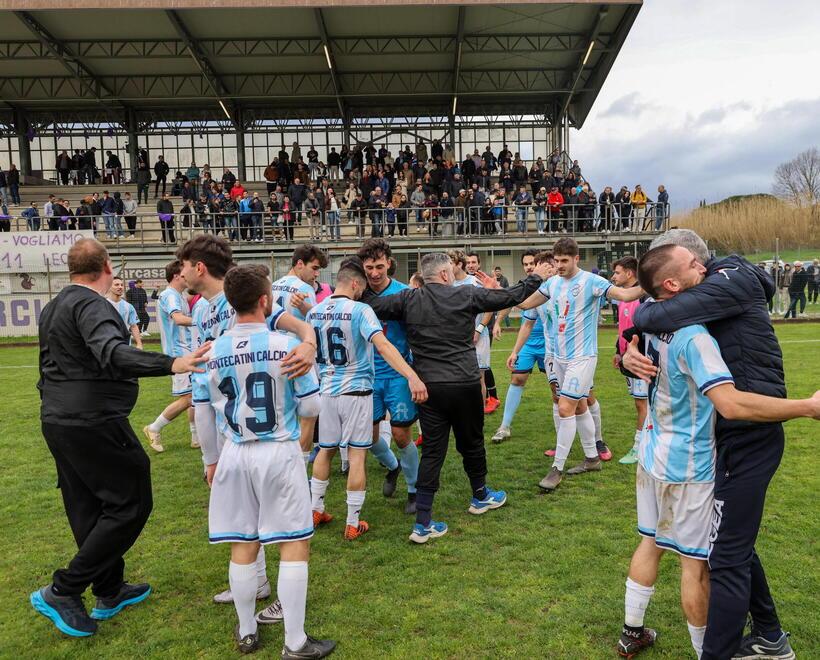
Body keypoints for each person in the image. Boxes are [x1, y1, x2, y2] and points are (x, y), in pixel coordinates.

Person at [617, 243, 820, 660]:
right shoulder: (693, 335)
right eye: (694, 263)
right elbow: (730, 404)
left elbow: (639, 326)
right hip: (692, 462)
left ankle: (633, 631)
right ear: (673, 284)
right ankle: (712, 650)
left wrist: (627, 351)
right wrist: (808, 407)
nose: (705, 266)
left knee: (663, 544)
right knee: (703, 564)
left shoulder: (659, 320)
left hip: (655, 452)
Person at [30, 238, 208, 638]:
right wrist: (172, 363)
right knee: (131, 502)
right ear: (107, 267)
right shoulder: (92, 305)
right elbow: (112, 352)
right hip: (92, 419)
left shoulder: (55, 306)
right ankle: (64, 589)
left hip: (58, 418)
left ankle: (109, 590)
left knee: (88, 505)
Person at [195, 265, 335, 658]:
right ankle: (295, 641)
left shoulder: (211, 350)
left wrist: (210, 460)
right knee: (294, 543)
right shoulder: (286, 345)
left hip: (234, 452)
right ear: (264, 300)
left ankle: (246, 631)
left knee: (242, 543)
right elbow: (311, 406)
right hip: (278, 449)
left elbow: (202, 410)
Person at [366, 252, 551, 543]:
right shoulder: (465, 295)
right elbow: (511, 297)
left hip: (429, 388)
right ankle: (480, 495)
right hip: (464, 384)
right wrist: (537, 276)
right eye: (450, 272)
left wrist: (362, 276)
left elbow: (371, 303)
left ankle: (423, 522)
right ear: (443, 274)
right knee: (472, 442)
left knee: (433, 452)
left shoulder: (408, 299)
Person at [178, 234, 316, 609]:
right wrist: (209, 456)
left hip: (256, 425)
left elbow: (300, 327)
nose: (181, 272)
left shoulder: (245, 297)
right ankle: (257, 583)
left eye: (184, 265)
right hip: (232, 421)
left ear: (199, 267)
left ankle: (265, 596)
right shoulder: (203, 311)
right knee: (246, 521)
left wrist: (308, 344)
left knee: (267, 519)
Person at [308, 257, 427, 541]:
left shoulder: (314, 311)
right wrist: (412, 374)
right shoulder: (360, 309)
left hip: (327, 392)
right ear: (354, 283)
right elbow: (382, 345)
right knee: (358, 454)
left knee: (325, 451)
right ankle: (352, 522)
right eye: (361, 287)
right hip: (357, 391)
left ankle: (315, 509)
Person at [516, 238, 644, 492]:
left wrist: (653, 281)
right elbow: (525, 303)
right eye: (557, 260)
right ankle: (592, 458)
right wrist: (499, 293)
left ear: (576, 258)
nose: (560, 265)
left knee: (565, 408)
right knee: (580, 406)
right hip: (558, 357)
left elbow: (626, 294)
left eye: (565, 260)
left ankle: (557, 469)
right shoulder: (552, 283)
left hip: (582, 358)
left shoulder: (592, 281)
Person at [358, 239, 422, 514]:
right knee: (369, 438)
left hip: (398, 375)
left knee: (400, 435)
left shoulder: (405, 293)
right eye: (369, 267)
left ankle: (414, 490)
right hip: (366, 376)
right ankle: (393, 467)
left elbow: (416, 333)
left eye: (379, 267)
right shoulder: (357, 294)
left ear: (389, 263)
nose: (374, 273)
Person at [492, 250, 553, 443]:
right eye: (525, 264)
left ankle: (574, 428)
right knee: (517, 378)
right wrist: (514, 350)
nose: (529, 267)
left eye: (532, 263)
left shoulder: (555, 286)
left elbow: (518, 302)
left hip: (552, 345)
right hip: (529, 343)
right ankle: (504, 426)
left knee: (557, 388)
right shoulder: (528, 286)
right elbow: (524, 317)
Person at [142, 261, 196, 453]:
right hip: (178, 354)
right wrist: (204, 321)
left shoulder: (178, 295)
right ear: (176, 276)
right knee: (189, 398)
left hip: (185, 351)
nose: (187, 275)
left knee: (195, 395)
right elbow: (179, 319)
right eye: (184, 273)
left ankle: (196, 437)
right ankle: (154, 428)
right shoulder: (170, 295)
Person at [608, 257, 648, 465]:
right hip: (626, 358)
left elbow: (644, 328)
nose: (613, 277)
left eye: (617, 272)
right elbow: (623, 327)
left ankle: (639, 447)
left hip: (640, 359)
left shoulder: (643, 297)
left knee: (643, 404)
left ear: (630, 273)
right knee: (639, 402)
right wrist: (618, 350)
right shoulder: (623, 297)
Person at [107, 276, 142, 348]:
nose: (120, 287)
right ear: (109, 287)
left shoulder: (129, 307)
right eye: (116, 285)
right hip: (107, 345)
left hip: (125, 345)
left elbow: (134, 326)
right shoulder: (103, 305)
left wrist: (139, 344)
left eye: (121, 285)